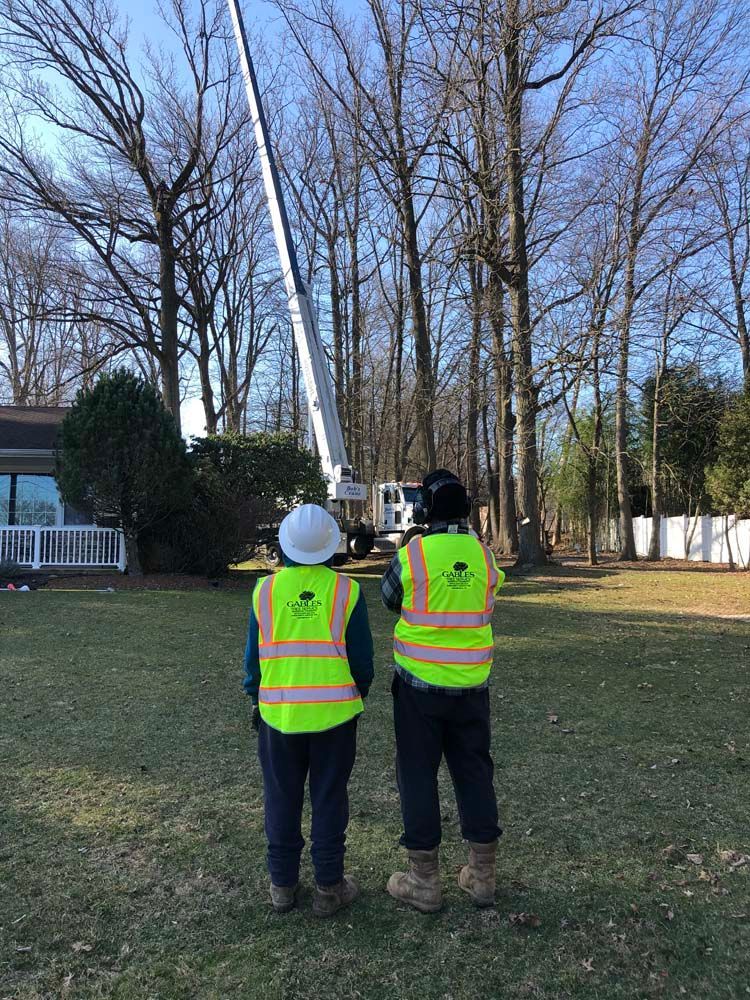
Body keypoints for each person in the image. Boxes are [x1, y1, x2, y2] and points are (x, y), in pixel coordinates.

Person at [381, 470, 505, 913]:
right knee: (474, 773)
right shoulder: (485, 557)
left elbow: (389, 598)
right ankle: (483, 876)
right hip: (472, 688)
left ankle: (423, 881)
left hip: (418, 690)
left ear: (424, 511)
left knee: (417, 774)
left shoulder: (414, 555)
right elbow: (485, 603)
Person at [243, 503, 374, 917]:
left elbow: (253, 661)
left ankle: (282, 885)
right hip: (335, 718)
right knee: (329, 798)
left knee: (281, 799)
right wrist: (354, 695)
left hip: (278, 717)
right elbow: (363, 663)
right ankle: (328, 887)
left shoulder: (264, 591)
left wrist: (255, 697)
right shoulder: (347, 591)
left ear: (286, 545)